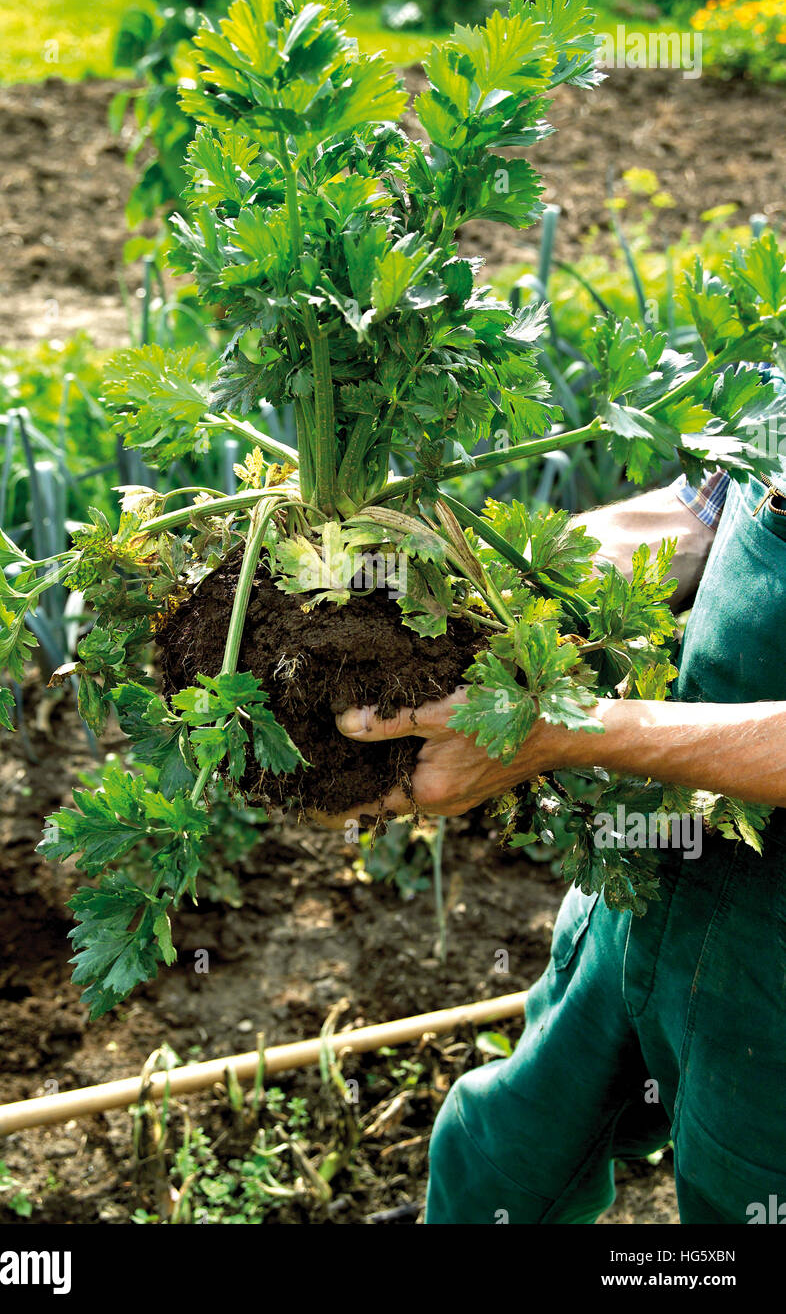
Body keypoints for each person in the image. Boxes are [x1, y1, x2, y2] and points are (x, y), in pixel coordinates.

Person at [335, 460, 786, 1224]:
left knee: (743, 1191)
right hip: (655, 859)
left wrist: (556, 729)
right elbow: (709, 510)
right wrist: (484, 605)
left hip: (771, 970)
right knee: (509, 1143)